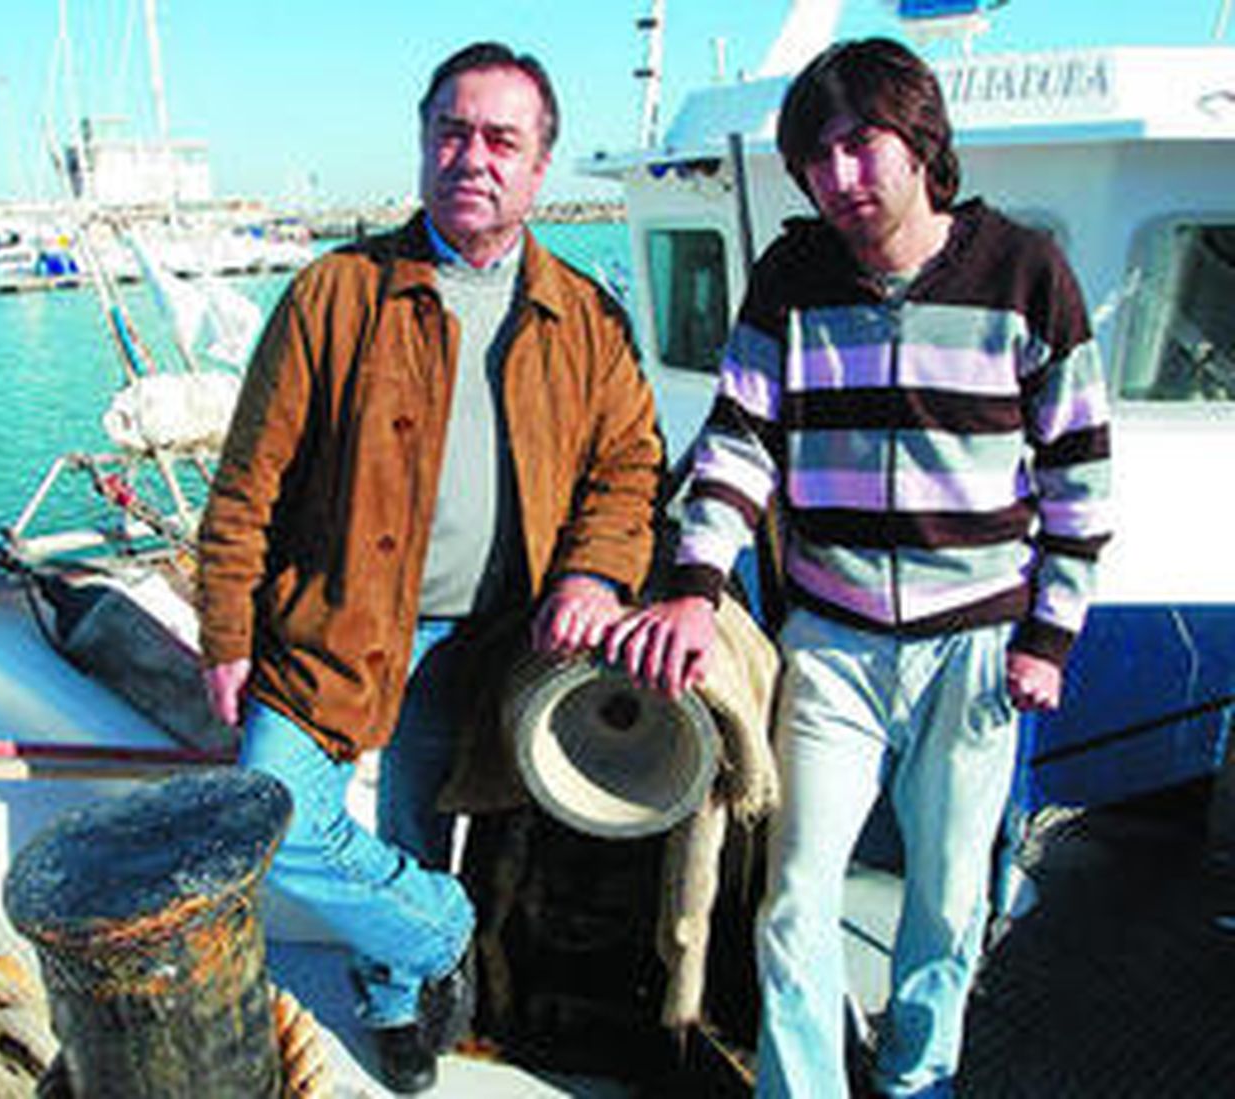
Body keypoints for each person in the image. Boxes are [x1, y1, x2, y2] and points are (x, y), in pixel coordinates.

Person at [607, 37, 1112, 1098]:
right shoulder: (790, 275)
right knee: (795, 894)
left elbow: (1077, 473)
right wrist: (695, 588)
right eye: (813, 159)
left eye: (858, 145)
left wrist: (1049, 635)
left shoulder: (1026, 272)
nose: (837, 178)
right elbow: (738, 440)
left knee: (946, 892)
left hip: (976, 649)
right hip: (830, 645)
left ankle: (917, 1073)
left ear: (919, 139)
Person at [195, 41, 662, 1095]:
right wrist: (225, 629)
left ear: (538, 166)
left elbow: (629, 468)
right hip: (340, 624)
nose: (472, 156)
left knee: (418, 818)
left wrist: (594, 574)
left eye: (501, 138)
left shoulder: (584, 318)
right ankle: (436, 930)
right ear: (422, 143)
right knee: (271, 813)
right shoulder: (335, 294)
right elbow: (245, 483)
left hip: (497, 636)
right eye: (450, 131)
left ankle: (395, 1000)